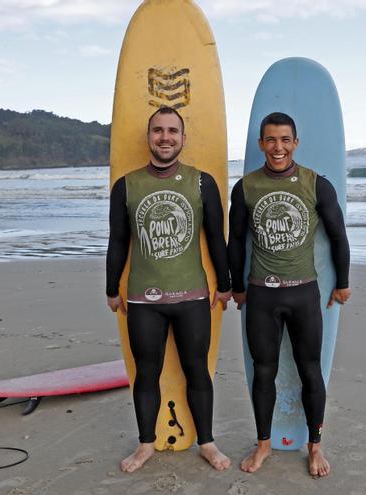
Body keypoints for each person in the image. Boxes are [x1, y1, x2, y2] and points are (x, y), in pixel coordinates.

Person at [106, 106, 231, 472]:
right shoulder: (126, 186)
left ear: (183, 138)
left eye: (172, 131)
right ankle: (146, 444)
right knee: (146, 373)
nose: (165, 137)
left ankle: (207, 442)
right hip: (144, 299)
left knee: (197, 372)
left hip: (192, 297)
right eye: (158, 130)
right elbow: (118, 242)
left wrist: (225, 285)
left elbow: (216, 239)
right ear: (149, 137)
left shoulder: (202, 182)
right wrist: (112, 287)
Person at [228, 112, 351, 477]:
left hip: (303, 295)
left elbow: (338, 236)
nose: (277, 147)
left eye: (284, 140)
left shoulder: (316, 184)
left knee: (310, 371)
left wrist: (342, 283)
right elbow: (235, 241)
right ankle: (263, 443)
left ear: (295, 143)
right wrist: (236, 286)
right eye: (270, 140)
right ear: (260, 144)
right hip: (261, 295)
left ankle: (315, 446)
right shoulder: (246, 187)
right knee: (263, 372)